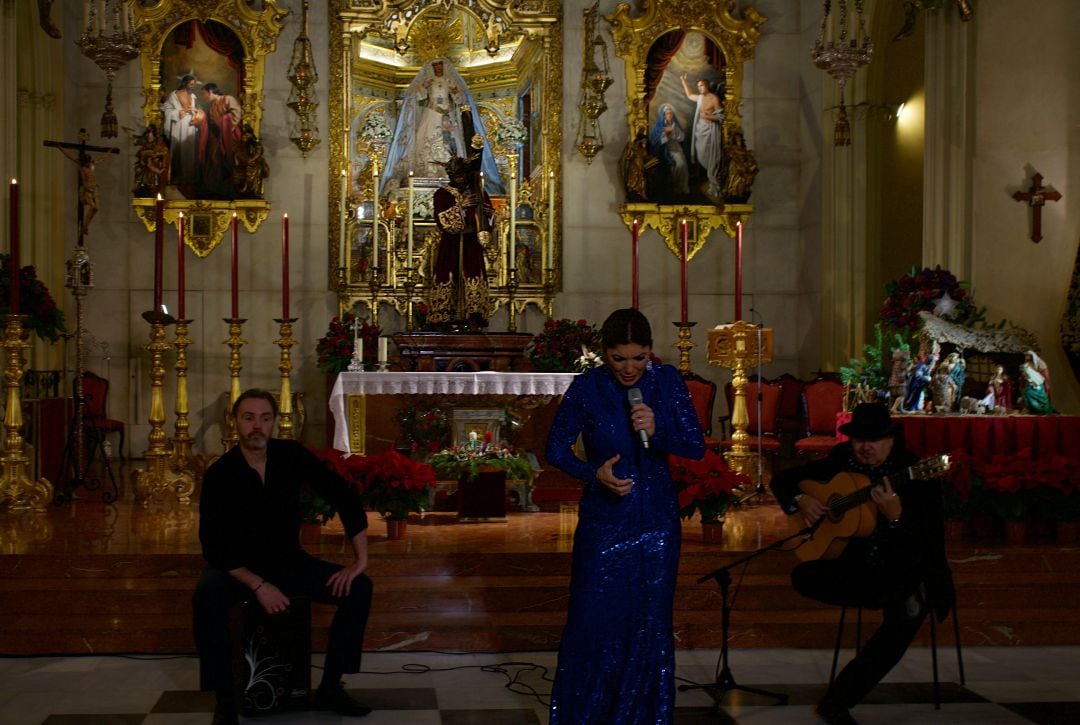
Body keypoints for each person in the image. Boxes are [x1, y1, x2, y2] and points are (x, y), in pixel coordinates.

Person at [545, 309, 706, 723]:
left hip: (656, 519)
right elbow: (556, 449)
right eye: (620, 358)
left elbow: (694, 445)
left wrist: (659, 430)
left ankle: (644, 715)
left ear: (651, 352)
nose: (630, 368)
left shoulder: (667, 382)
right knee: (592, 615)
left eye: (639, 358)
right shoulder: (587, 388)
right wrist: (592, 473)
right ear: (604, 355)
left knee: (650, 619)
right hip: (604, 519)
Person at [193, 389, 373, 724]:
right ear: (235, 423)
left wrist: (359, 560)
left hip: (289, 562)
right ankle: (225, 699)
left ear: (274, 422)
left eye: (265, 418)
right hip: (239, 569)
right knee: (207, 594)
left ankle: (331, 687)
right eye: (249, 418)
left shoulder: (291, 455)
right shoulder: (221, 474)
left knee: (359, 588)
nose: (257, 426)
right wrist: (259, 585)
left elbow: (342, 495)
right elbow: (213, 545)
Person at [770, 403, 954, 725]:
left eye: (875, 440)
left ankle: (838, 701)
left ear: (891, 440)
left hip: (901, 565)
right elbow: (785, 480)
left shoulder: (915, 474)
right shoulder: (842, 460)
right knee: (803, 574)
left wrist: (895, 518)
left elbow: (928, 542)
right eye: (859, 440)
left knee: (908, 612)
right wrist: (802, 500)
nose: (865, 447)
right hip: (855, 565)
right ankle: (879, 596)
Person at [380, 58, 503, 193]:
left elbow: (460, 100)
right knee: (426, 137)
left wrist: (455, 91)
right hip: (431, 113)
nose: (438, 68)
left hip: (447, 114)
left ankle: (450, 169)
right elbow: (418, 97)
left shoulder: (450, 81)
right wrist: (424, 87)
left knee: (450, 141)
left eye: (440, 65)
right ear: (432, 67)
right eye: (435, 65)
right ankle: (428, 169)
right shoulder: (428, 80)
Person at [427, 154, 494, 330]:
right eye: (457, 175)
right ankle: (445, 319)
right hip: (451, 244)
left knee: (472, 277)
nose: (461, 179)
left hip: (472, 244)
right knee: (448, 276)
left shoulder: (479, 192)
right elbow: (442, 221)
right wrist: (461, 208)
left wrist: (489, 214)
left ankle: (473, 319)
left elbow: (487, 222)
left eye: (463, 174)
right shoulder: (442, 194)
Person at [57, 129, 115, 241]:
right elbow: (70, 156)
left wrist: (109, 152)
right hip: (87, 189)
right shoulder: (81, 166)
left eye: (89, 161)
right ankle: (84, 227)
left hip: (94, 188)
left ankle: (85, 226)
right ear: (84, 161)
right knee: (93, 207)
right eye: (87, 161)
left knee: (96, 208)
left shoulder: (92, 165)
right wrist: (60, 148)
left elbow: (102, 159)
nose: (89, 162)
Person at [680, 73, 724, 197]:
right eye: (698, 86)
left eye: (702, 86)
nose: (700, 88)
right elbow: (689, 95)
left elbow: (721, 116)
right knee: (700, 154)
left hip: (710, 131)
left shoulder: (713, 99)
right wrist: (684, 81)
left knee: (711, 157)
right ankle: (710, 174)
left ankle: (713, 179)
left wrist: (708, 116)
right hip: (700, 131)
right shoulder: (700, 98)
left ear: (707, 86)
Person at [197, 83, 243, 198]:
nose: (204, 96)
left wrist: (225, 122)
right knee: (213, 159)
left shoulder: (227, 99)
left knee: (226, 159)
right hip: (218, 137)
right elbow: (210, 122)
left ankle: (228, 188)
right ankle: (214, 187)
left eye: (204, 93)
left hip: (230, 135)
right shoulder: (213, 107)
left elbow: (236, 113)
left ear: (211, 91)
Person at [161, 74, 205, 188]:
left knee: (191, 151)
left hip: (191, 125)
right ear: (185, 83)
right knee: (179, 149)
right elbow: (165, 108)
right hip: (179, 124)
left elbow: (200, 110)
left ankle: (190, 177)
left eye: (193, 84)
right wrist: (177, 112)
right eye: (191, 84)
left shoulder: (193, 96)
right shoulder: (174, 94)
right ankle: (179, 178)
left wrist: (196, 111)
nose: (192, 86)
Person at [648, 103, 690, 198]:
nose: (669, 115)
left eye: (671, 113)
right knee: (678, 165)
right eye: (667, 113)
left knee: (682, 165)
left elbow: (682, 138)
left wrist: (674, 132)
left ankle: (681, 188)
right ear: (663, 115)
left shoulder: (675, 124)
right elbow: (655, 141)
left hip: (676, 149)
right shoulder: (659, 126)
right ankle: (674, 187)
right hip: (664, 151)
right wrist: (665, 134)